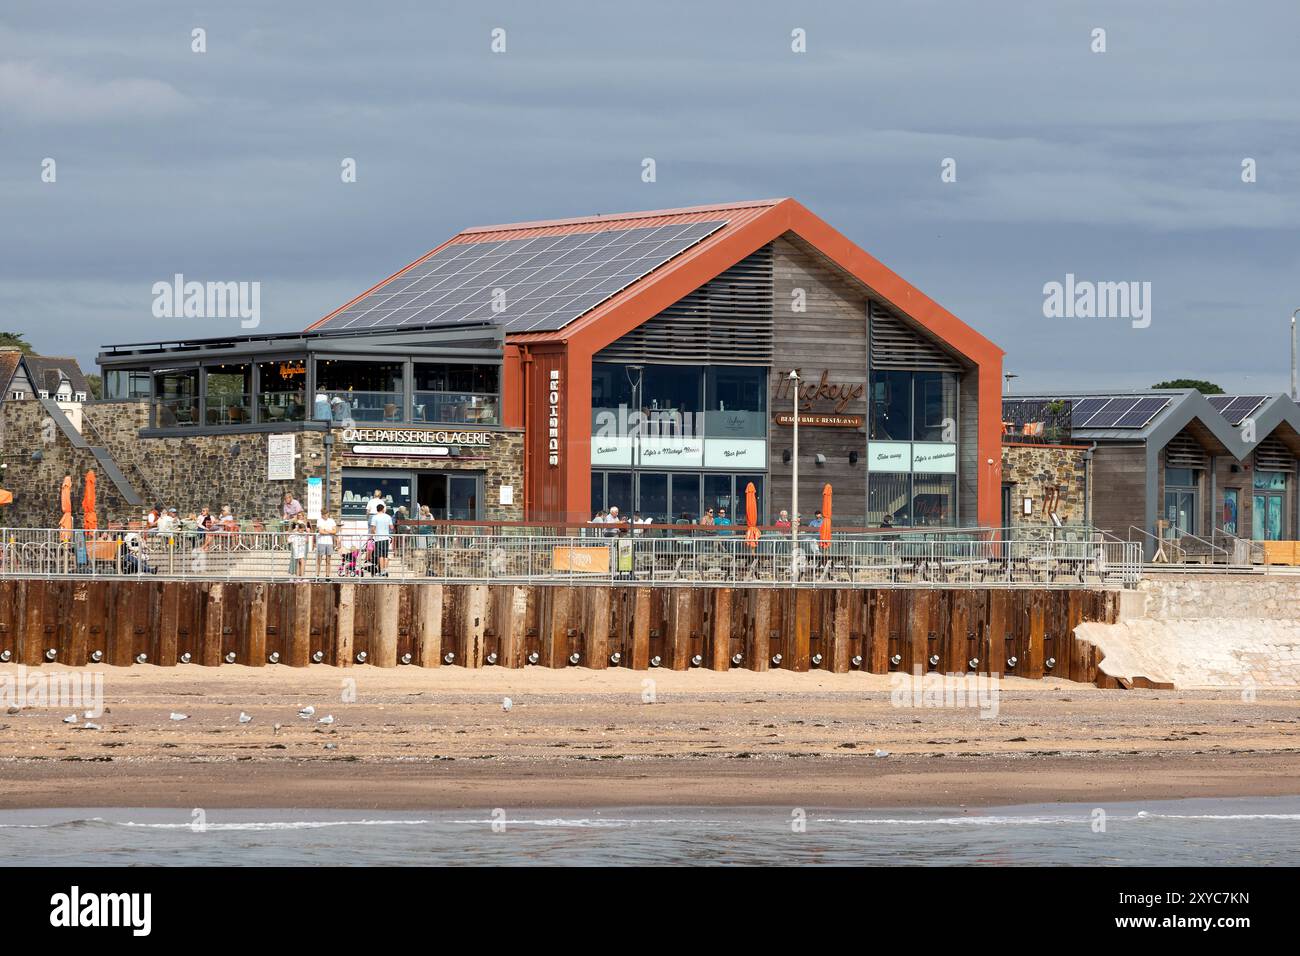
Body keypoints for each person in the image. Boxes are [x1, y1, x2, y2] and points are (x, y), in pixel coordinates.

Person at [369, 502, 394, 575]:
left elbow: (373, 529)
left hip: (378, 538)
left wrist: (372, 536)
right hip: (386, 538)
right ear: (383, 509)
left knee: (380, 556)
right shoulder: (388, 516)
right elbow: (391, 527)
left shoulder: (375, 517)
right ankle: (385, 570)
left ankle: (381, 570)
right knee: (385, 555)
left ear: (377, 510)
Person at [315, 509, 338, 578]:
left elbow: (335, 531)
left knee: (328, 561)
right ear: (322, 514)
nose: (325, 516)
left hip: (329, 542)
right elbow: (321, 531)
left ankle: (327, 576)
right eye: (324, 515)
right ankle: (317, 576)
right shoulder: (319, 520)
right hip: (321, 542)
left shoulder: (331, 521)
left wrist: (326, 530)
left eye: (326, 514)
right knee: (319, 560)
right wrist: (329, 531)